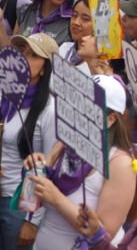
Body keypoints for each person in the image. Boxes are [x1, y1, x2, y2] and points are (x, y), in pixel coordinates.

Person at [26, 75, 137, 249]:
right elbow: (36, 200)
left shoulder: (120, 164)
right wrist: (39, 168)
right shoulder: (65, 146)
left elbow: (104, 234)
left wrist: (56, 198)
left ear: (110, 119)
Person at [0, 34, 58, 250]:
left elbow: (49, 168)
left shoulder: (49, 110)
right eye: (21, 52)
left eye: (33, 55)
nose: (23, 58)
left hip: (17, 205)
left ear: (45, 69)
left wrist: (31, 221)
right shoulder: (3, 95)